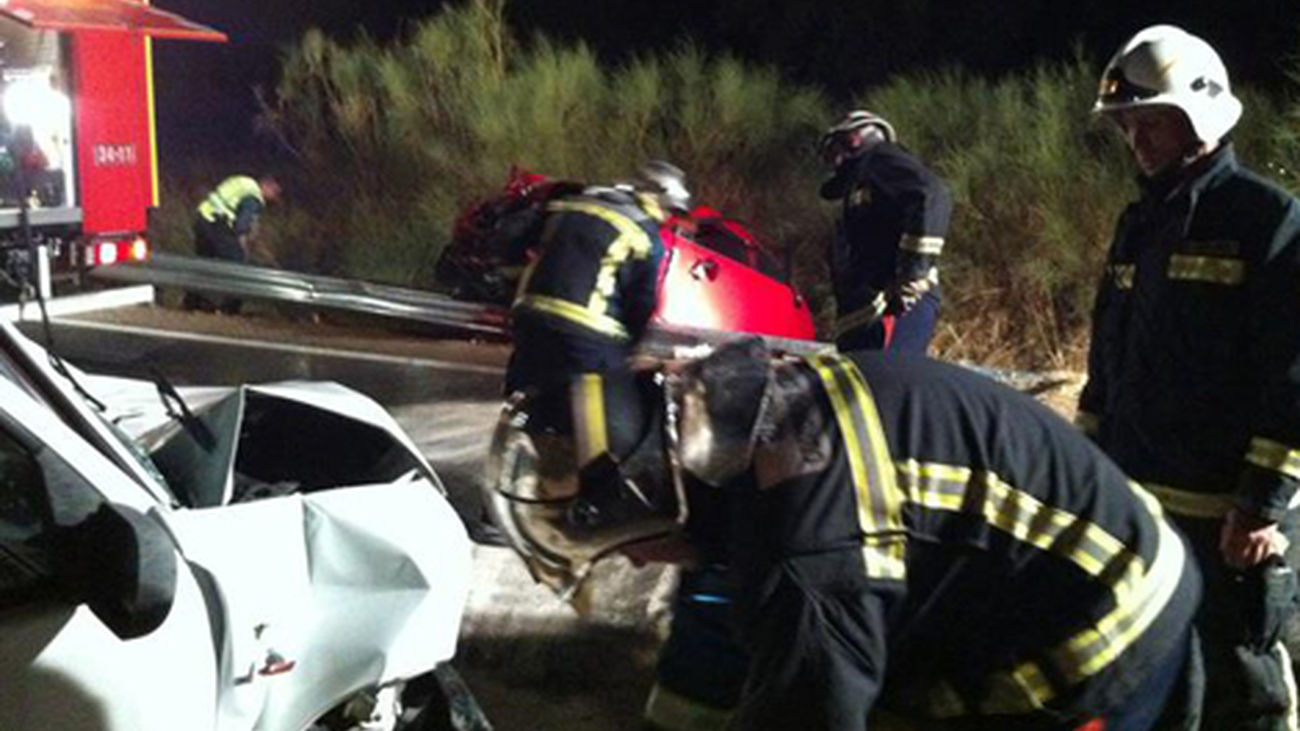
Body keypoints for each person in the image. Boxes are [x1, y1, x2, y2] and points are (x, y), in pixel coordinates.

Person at [484, 338, 1203, 731]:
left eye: (624, 544)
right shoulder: (752, 420)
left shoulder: (803, 557)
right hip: (1095, 556)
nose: (638, 561)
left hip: (1104, 641)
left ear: (656, 503)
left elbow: (808, 702)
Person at [1079, 24, 1300, 730]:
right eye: (1128, 126)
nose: (1138, 142)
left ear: (1198, 117)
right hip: (1140, 498)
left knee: (1244, 676)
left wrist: (1263, 502)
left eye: (1153, 124)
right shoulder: (1138, 224)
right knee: (1161, 672)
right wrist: (1085, 469)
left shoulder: (1266, 218)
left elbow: (1294, 371)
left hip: (1230, 514)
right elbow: (1106, 357)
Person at [818, 110, 953, 353]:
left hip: (894, 305)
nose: (831, 160)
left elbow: (931, 193)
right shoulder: (861, 184)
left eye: (834, 147)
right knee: (864, 385)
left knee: (887, 383)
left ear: (855, 139)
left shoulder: (879, 158)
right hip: (864, 314)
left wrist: (913, 272)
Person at [182, 174, 282, 314]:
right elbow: (241, 225)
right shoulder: (254, 197)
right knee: (237, 265)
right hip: (217, 224)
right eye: (274, 193)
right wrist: (242, 245)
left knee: (204, 264)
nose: (273, 198)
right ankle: (230, 308)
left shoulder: (244, 181)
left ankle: (191, 304)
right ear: (268, 186)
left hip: (203, 218)